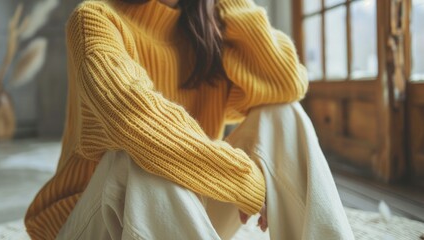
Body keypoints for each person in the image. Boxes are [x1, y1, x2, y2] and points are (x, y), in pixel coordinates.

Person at [24, 0, 353, 239]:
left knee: (283, 113)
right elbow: (132, 118)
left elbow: (287, 81)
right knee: (139, 155)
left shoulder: (208, 29)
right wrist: (245, 181)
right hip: (93, 220)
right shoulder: (94, 18)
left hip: (181, 212)